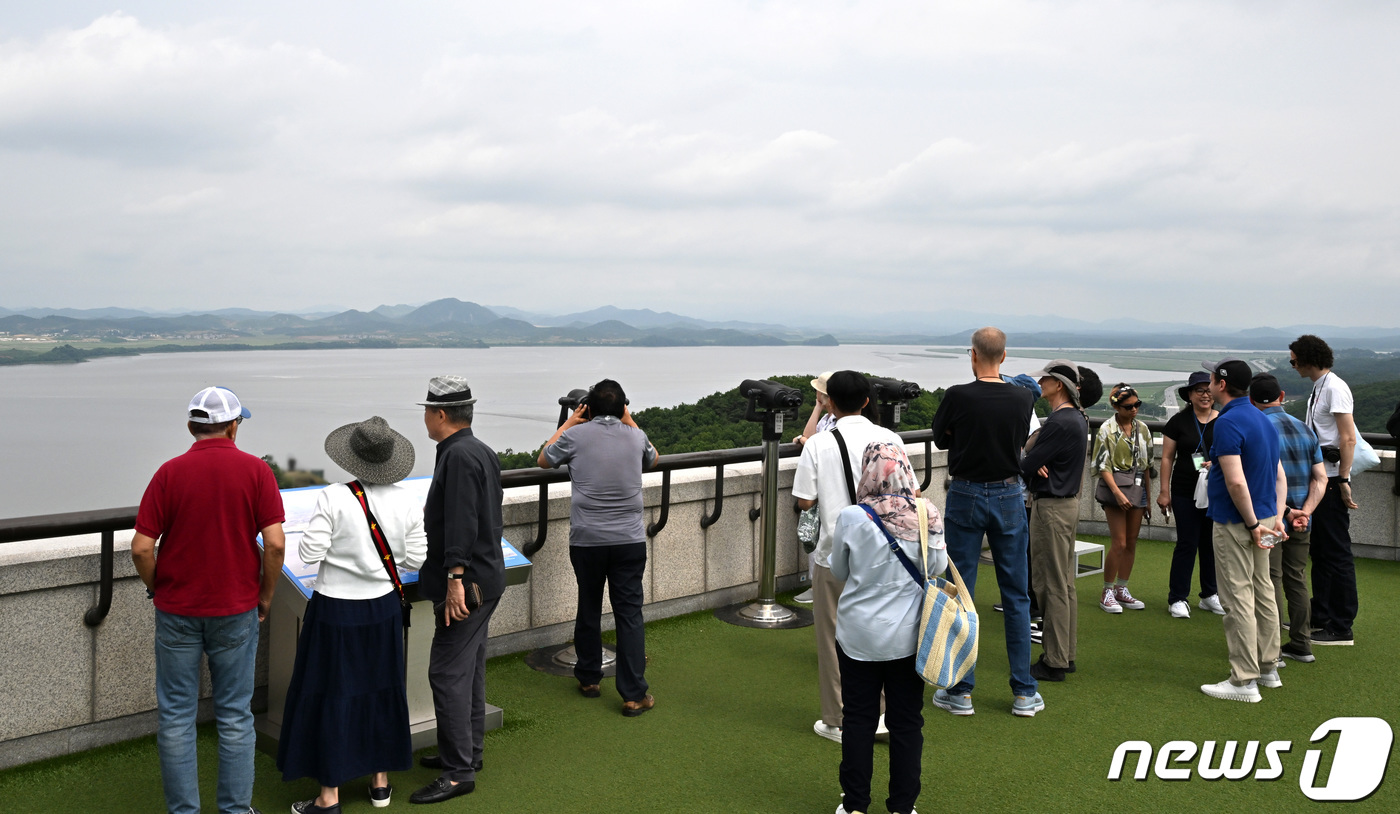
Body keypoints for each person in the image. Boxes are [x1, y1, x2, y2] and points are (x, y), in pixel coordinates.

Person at [129, 386, 286, 814]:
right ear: (234, 427)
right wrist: (265, 596)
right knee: (235, 715)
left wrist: (158, 587)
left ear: (191, 427)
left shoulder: (169, 473)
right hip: (236, 608)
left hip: (177, 609)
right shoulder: (256, 472)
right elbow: (275, 544)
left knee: (176, 717)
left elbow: (141, 548)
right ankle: (235, 809)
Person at [277, 417, 427, 813]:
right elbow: (416, 558)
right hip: (383, 608)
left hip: (336, 610)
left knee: (332, 693)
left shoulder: (333, 496)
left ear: (352, 457)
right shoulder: (407, 500)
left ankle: (329, 796)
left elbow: (309, 553)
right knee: (382, 688)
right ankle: (380, 783)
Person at [928, 327, 1042, 718]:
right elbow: (1019, 439)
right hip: (1009, 494)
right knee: (1016, 595)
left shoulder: (958, 396)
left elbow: (941, 438)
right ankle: (1024, 692)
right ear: (1004, 356)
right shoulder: (1023, 397)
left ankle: (961, 691)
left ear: (973, 355)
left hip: (966, 492)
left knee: (961, 591)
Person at [829, 442, 947, 814]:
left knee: (858, 719)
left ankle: (855, 804)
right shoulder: (927, 512)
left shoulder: (852, 516)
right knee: (907, 721)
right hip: (910, 636)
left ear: (868, 470)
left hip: (858, 634)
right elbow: (938, 568)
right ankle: (902, 806)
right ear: (905, 469)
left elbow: (839, 571)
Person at [793, 370, 904, 742]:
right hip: (885, 553)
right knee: (883, 632)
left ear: (830, 404)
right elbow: (910, 492)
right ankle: (883, 714)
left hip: (836, 553)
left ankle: (840, 719)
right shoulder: (889, 438)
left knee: (832, 639)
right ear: (867, 401)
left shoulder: (819, 444)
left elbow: (804, 500)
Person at [410, 376, 506, 805]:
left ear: (440, 414)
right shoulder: (478, 450)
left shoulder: (459, 456)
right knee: (468, 670)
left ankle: (457, 773)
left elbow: (462, 522)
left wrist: (454, 580)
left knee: (446, 673)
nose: (426, 418)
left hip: (467, 584)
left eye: (427, 411)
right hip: (486, 577)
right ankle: (469, 753)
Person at [538, 379, 660, 716]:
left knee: (589, 605)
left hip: (587, 540)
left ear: (588, 408)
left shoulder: (575, 436)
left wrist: (569, 422)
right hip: (629, 541)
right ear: (623, 408)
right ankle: (633, 694)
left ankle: (589, 678)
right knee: (629, 615)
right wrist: (628, 418)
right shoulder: (636, 436)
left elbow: (544, 460)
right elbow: (654, 459)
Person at [1199, 359, 1288, 703]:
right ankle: (1268, 668)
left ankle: (1243, 680)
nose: (1208, 383)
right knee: (1263, 590)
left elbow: (1236, 482)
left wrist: (1251, 524)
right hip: (1265, 517)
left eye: (1211, 378)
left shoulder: (1227, 422)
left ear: (1221, 384)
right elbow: (1278, 475)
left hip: (1237, 522)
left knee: (1237, 597)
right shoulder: (1263, 419)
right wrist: (1276, 517)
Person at [1021, 360, 1099, 682]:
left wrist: (1030, 460)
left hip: (1050, 507)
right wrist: (1035, 458)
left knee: (1049, 584)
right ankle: (1066, 654)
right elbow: (1035, 457)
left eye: (1046, 379)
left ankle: (1053, 661)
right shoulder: (1077, 418)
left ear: (1059, 385)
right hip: (1066, 505)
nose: (1041, 383)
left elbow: (1027, 464)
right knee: (1065, 584)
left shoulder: (1060, 421)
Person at [1249, 374, 1327, 665]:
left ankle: (1273, 650)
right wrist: (1305, 512)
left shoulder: (1259, 429)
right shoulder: (1305, 429)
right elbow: (1320, 478)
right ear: (1281, 395)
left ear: (1251, 401)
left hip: (1271, 519)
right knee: (1297, 578)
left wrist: (1286, 512)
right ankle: (1302, 644)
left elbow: (1262, 479)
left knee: (1270, 579)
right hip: (1302, 520)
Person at [1289, 334, 1360, 646]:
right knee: (1319, 551)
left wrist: (1343, 479)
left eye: (1294, 360)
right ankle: (1320, 615)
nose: (1292, 365)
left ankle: (1342, 626)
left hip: (1331, 480)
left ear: (1307, 359)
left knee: (1336, 552)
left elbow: (1348, 437)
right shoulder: (1320, 386)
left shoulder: (1335, 388)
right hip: (1320, 478)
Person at [1157, 371, 1223, 619]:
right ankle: (1177, 597)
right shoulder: (1179, 421)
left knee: (1210, 544)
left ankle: (1210, 594)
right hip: (1184, 489)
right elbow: (1166, 458)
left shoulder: (1224, 420)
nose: (1205, 395)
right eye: (1199, 391)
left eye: (1208, 390)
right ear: (1190, 395)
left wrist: (1215, 463)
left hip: (1215, 490)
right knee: (1187, 543)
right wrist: (1164, 491)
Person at [1091, 384, 1153, 614]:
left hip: (1138, 487)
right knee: (1120, 542)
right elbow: (1102, 466)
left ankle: (1122, 587)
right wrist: (1117, 493)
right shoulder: (1106, 429)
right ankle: (1107, 590)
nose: (1134, 409)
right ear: (1116, 407)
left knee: (1132, 541)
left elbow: (1147, 466)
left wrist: (1148, 498)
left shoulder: (1143, 429)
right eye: (1129, 406)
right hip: (1115, 488)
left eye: (1137, 405)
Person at [794, 371, 837, 604]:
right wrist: (818, 407)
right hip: (821, 486)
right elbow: (809, 435)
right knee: (816, 535)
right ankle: (816, 584)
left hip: (829, 487)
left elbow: (814, 443)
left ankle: (818, 587)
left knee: (824, 537)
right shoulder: (827, 418)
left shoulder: (838, 421)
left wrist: (804, 442)